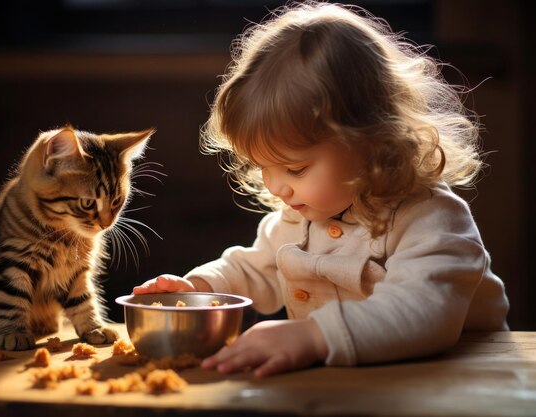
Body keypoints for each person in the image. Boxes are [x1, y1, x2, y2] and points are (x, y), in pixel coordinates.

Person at [134, 1, 509, 377]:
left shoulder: (432, 218)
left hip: (458, 384)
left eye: (295, 168)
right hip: (360, 384)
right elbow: (257, 267)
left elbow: (425, 310)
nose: (276, 185)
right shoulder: (299, 218)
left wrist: (313, 336)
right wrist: (198, 286)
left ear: (373, 143)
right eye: (263, 166)